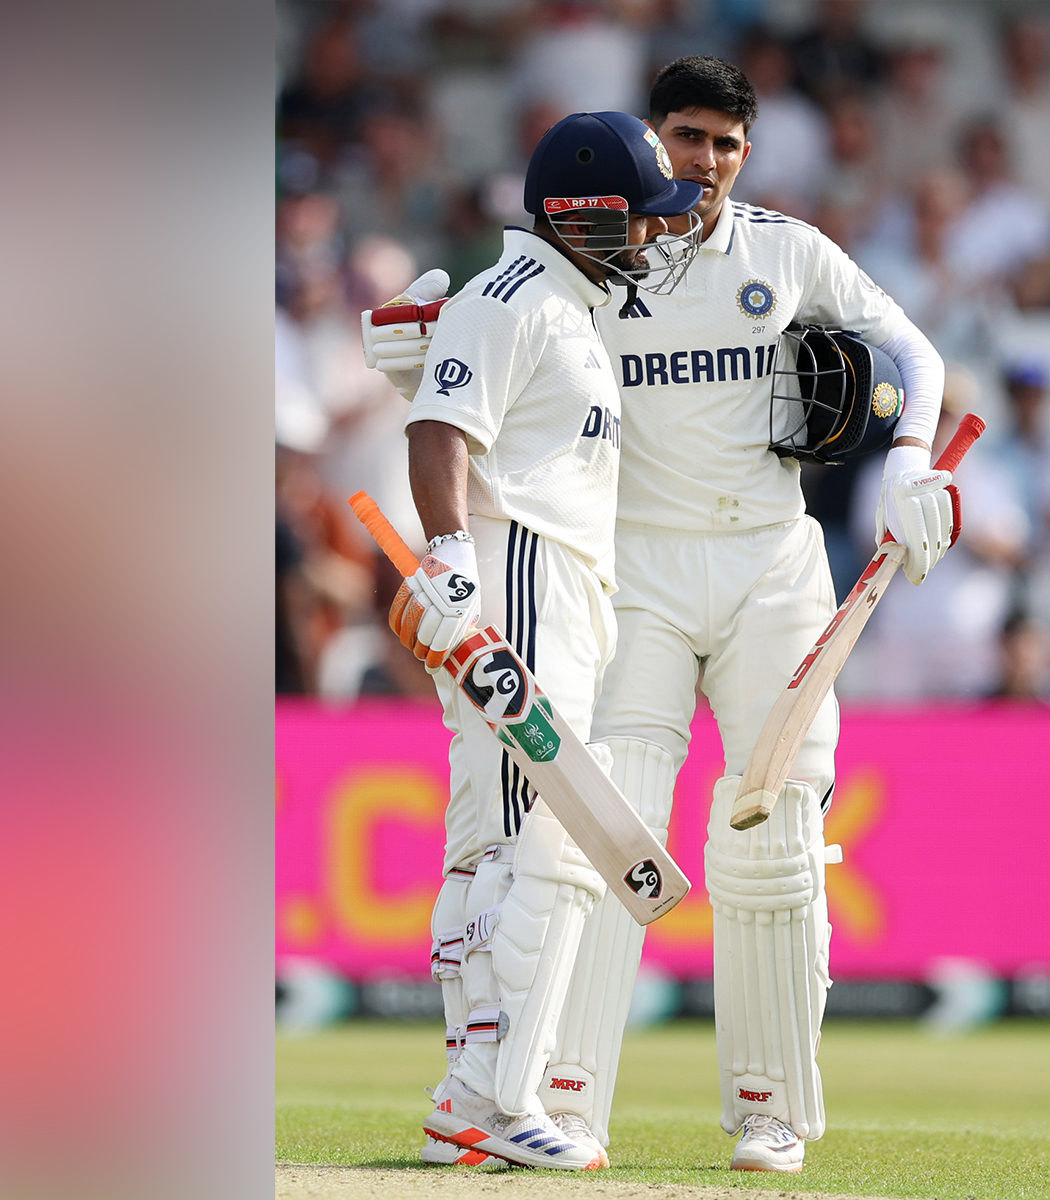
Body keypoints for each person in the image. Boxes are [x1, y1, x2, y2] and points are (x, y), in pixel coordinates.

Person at [367, 56, 955, 1174]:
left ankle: (770, 1111)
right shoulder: (593, 258)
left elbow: (912, 352)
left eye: (728, 144)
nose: (707, 163)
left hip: (770, 565)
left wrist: (911, 463)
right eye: (687, 138)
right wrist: (417, 362)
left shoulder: (782, 249)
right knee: (602, 826)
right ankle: (562, 1099)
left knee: (773, 836)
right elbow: (481, 371)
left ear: (749, 150)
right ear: (650, 139)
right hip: (622, 569)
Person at [364, 109, 702, 1170]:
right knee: (541, 852)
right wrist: (455, 550)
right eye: (637, 221)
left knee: (491, 848)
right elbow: (439, 428)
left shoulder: (570, 304)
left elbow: (451, 401)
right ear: (582, 213)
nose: (651, 238)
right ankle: (502, 1102)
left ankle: (471, 1091)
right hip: (519, 579)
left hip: (561, 586)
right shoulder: (512, 297)